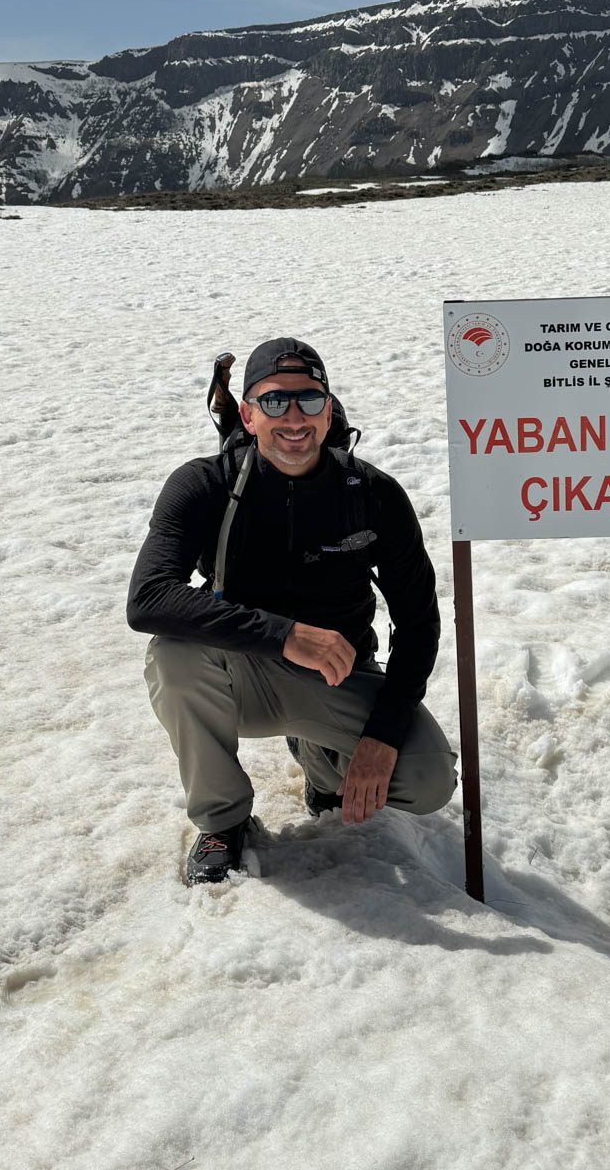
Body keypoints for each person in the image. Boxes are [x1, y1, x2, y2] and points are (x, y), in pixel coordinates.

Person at [127, 336, 456, 884]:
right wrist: (283, 635)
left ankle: (323, 764)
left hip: (337, 678)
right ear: (248, 414)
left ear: (329, 412)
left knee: (427, 781)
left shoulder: (373, 493)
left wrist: (382, 734)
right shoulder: (204, 485)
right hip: (237, 677)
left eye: (309, 400)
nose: (294, 417)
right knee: (175, 655)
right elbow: (149, 598)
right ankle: (224, 821)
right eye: (275, 402)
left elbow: (418, 622)